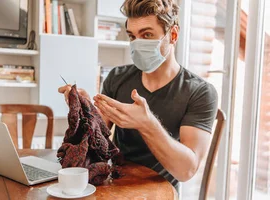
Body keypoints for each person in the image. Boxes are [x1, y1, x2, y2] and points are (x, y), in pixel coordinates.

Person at [58, 0, 218, 190]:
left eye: (147, 35)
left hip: (161, 191)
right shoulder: (117, 78)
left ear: (173, 34)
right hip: (116, 184)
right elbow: (97, 144)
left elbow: (186, 171)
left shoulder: (200, 92)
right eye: (132, 36)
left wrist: (147, 123)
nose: (137, 43)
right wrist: (85, 110)